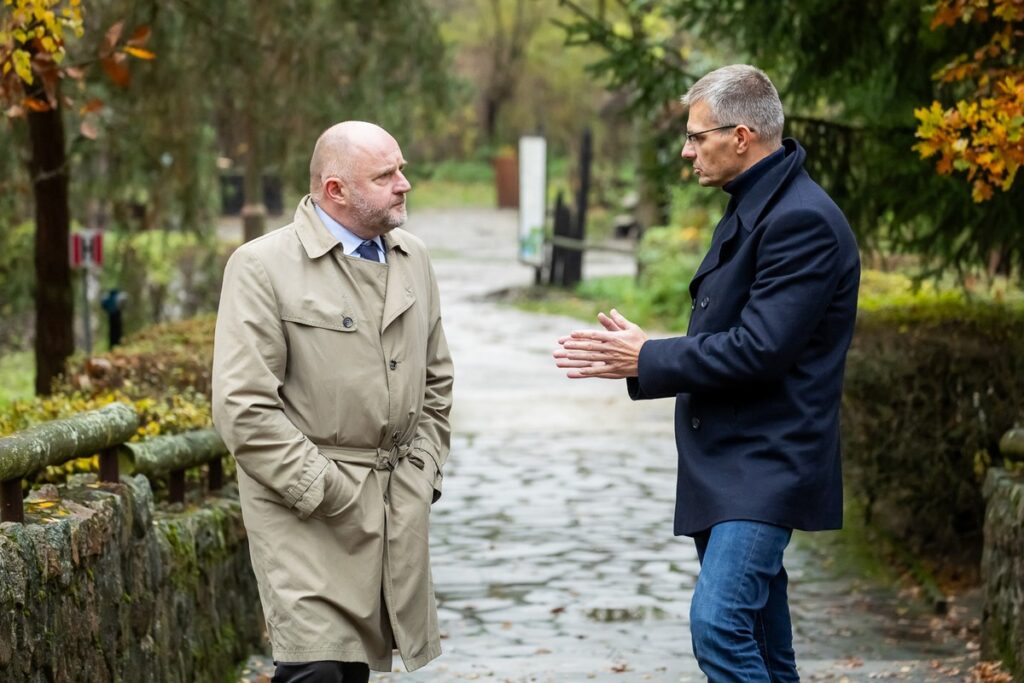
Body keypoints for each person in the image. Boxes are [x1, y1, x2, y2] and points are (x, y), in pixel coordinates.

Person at [553, 65, 860, 680]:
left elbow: (759, 349)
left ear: (741, 136)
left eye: (697, 137)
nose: (687, 150)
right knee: (766, 650)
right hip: (728, 464)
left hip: (765, 466)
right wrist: (648, 355)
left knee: (718, 626)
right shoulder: (756, 202)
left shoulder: (801, 220)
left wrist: (648, 357)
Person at [212, 121, 454, 683]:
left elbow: (437, 381)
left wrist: (423, 470)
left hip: (395, 498)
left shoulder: (413, 257)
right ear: (335, 189)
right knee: (317, 668)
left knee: (352, 671)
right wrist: (327, 490)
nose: (404, 185)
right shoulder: (260, 265)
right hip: (301, 511)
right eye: (386, 175)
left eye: (402, 168)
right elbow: (244, 406)